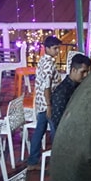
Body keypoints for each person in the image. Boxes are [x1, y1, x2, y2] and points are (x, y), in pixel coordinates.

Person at [27, 35, 63, 170]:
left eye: (58, 48)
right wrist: (49, 106)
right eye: (55, 48)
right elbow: (46, 87)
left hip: (41, 102)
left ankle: (32, 162)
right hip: (48, 103)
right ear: (47, 48)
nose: (57, 51)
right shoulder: (48, 64)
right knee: (55, 132)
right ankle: (56, 162)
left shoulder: (43, 60)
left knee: (39, 131)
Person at [50, 54, 91, 129]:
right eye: (83, 72)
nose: (86, 75)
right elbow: (58, 121)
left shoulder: (79, 86)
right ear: (73, 70)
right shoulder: (62, 91)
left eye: (87, 72)